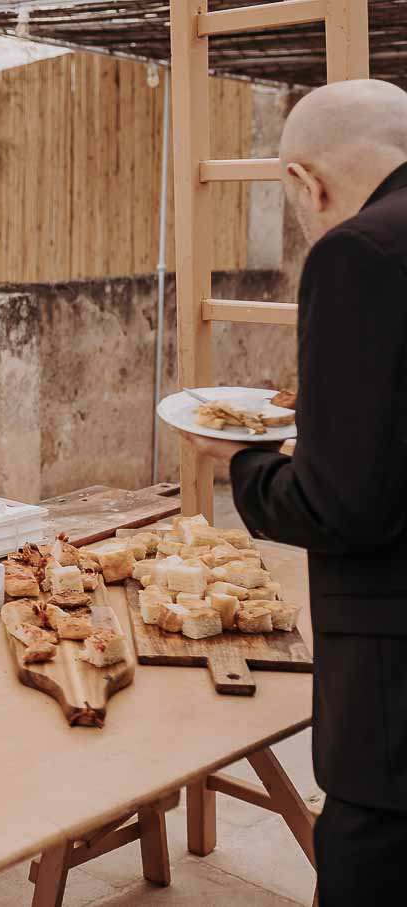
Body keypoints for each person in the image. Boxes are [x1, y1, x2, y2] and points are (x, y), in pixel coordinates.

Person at [176, 79, 407, 905]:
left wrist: (246, 460)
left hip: (393, 711)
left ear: (307, 183)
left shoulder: (359, 253)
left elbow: (340, 506)